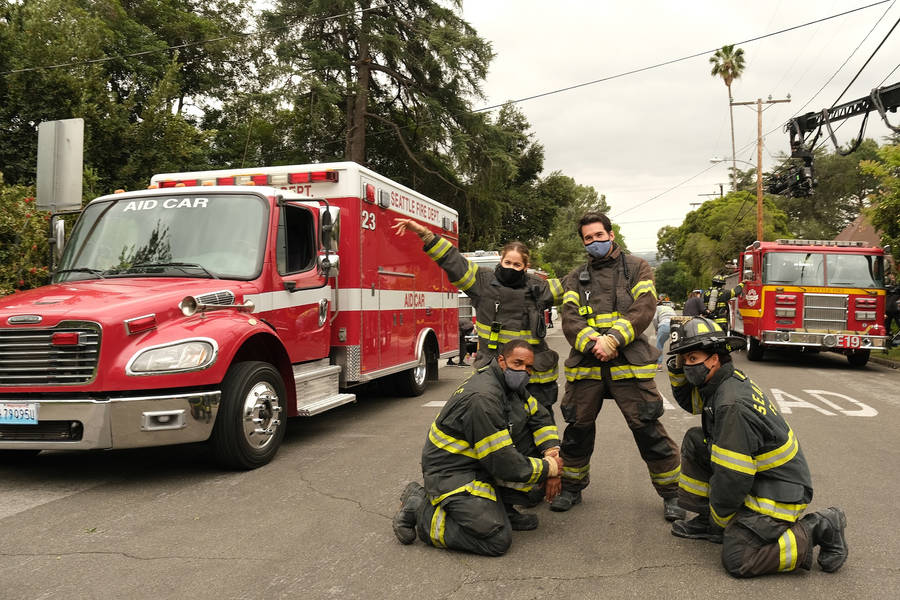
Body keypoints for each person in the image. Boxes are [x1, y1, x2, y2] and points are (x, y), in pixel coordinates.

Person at [666, 317, 848, 578]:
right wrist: (676, 368)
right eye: (684, 360)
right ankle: (708, 520)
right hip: (762, 476)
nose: (687, 366)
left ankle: (820, 527)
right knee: (696, 440)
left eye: (692, 359)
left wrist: (721, 520)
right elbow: (692, 403)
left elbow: (733, 477)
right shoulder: (723, 380)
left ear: (714, 359)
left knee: (739, 558)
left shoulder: (731, 404)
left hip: (780, 492)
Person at [551, 211, 684, 522]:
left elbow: (644, 308)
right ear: (583, 242)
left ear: (611, 235)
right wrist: (594, 344)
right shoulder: (575, 276)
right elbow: (570, 318)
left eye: (599, 235)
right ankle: (571, 488)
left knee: (649, 430)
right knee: (577, 431)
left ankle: (673, 494)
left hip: (629, 363)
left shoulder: (637, 267)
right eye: (588, 238)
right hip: (587, 364)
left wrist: (613, 339)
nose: (594, 241)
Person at [391, 339, 564, 556]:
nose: (524, 371)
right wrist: (550, 468)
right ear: (501, 361)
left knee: (532, 486)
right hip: (451, 473)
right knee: (497, 541)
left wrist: (551, 452)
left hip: (477, 462)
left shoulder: (510, 386)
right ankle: (420, 509)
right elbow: (503, 462)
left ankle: (502, 510)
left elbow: (540, 416)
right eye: (518, 363)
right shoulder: (484, 398)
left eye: (529, 367)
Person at [392, 218, 563, 413]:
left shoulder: (538, 287)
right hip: (494, 376)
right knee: (493, 422)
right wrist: (425, 234)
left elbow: (573, 287)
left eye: (517, 265)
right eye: (507, 262)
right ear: (501, 261)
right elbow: (453, 261)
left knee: (539, 424)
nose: (511, 268)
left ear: (526, 266)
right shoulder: (482, 282)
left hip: (535, 381)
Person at [652, 300, 676, 371]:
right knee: (675, 345)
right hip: (675, 325)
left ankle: (659, 365)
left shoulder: (656, 308)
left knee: (659, 345)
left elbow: (654, 319)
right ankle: (677, 363)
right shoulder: (669, 308)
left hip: (664, 325)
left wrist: (656, 329)